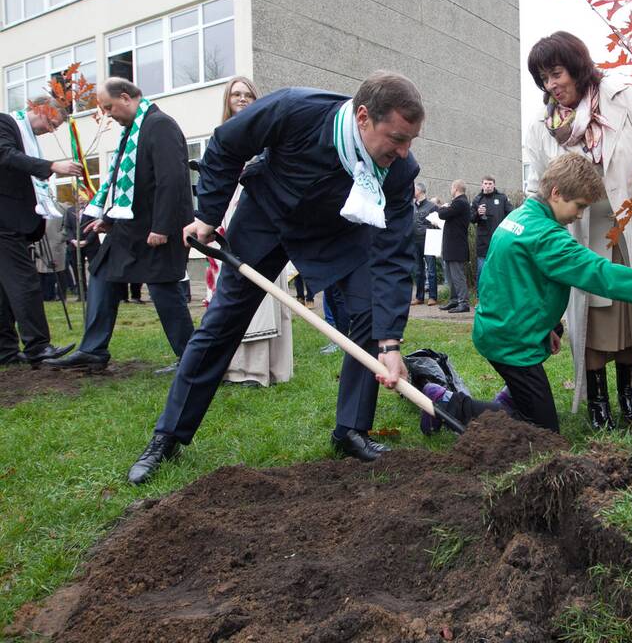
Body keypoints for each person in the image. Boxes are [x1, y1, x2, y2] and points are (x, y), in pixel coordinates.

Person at [125, 71, 424, 485]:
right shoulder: (295, 108)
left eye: (410, 140)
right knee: (222, 324)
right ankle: (167, 436)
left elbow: (392, 256)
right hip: (267, 217)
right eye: (396, 138)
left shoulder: (400, 172)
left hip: (338, 232)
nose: (405, 151)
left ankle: (351, 429)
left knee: (369, 317)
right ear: (362, 118)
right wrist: (208, 215)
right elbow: (226, 145)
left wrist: (390, 343)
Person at [421, 152, 632, 433]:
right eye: (579, 206)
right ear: (556, 193)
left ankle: (516, 397)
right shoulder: (547, 238)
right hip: (510, 345)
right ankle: (446, 402)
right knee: (542, 431)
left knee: (534, 412)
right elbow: (604, 276)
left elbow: (510, 285)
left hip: (501, 329)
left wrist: (547, 326)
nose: (580, 215)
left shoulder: (522, 217)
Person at [524, 31, 632, 429]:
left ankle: (629, 400)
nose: (552, 85)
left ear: (578, 67)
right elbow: (536, 186)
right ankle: (598, 404)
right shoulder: (542, 126)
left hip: (631, 229)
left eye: (556, 74)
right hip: (581, 236)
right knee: (593, 322)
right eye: (543, 79)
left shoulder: (626, 98)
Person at [45, 79, 195, 375]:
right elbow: (127, 183)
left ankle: (192, 358)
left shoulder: (159, 125)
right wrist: (108, 218)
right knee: (101, 274)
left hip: (156, 230)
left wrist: (163, 227)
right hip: (128, 229)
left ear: (126, 97)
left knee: (165, 290)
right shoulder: (134, 131)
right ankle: (93, 350)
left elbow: (172, 180)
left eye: (109, 107)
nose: (108, 114)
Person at [202, 76, 294, 387]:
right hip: (227, 221)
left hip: (261, 222)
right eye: (236, 94)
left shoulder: (268, 140)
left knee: (261, 295)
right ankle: (231, 367)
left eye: (248, 95)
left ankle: (258, 370)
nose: (242, 99)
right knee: (227, 296)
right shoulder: (222, 141)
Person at [0, 96, 80, 366]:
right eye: (51, 122)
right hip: (6, 221)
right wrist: (50, 166)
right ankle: (37, 346)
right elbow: (7, 156)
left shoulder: (21, 133)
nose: (51, 130)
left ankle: (6, 351)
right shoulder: (5, 124)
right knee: (25, 282)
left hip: (11, 222)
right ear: (38, 109)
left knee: (3, 289)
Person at [470, 175, 514, 280]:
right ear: (482, 185)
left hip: (499, 240)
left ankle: (498, 295)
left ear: (494, 185)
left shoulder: (502, 198)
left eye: (490, 184)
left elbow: (512, 214)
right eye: (485, 184)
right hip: (483, 242)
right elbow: (471, 219)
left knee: (499, 270)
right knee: (482, 270)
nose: (488, 186)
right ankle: (480, 295)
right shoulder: (477, 199)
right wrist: (478, 213)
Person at [437, 179, 470, 313]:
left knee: (458, 276)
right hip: (452, 246)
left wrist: (443, 207)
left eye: (451, 188)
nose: (451, 190)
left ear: (455, 188)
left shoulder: (460, 202)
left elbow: (442, 214)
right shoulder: (459, 203)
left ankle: (464, 303)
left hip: (457, 246)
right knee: (451, 276)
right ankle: (454, 300)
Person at [64, 188, 102, 301]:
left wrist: (87, 241)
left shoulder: (93, 210)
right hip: (75, 246)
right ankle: (82, 294)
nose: (80, 198)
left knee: (94, 268)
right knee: (77, 270)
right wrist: (73, 240)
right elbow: (67, 227)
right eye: (78, 195)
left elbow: (95, 228)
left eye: (83, 195)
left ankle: (96, 293)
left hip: (91, 244)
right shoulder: (70, 210)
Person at [411, 182, 439, 305]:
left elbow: (438, 223)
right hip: (414, 240)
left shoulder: (432, 206)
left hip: (429, 239)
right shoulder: (411, 206)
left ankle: (433, 297)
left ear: (420, 191)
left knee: (431, 270)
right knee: (418, 270)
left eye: (414, 189)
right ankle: (419, 297)